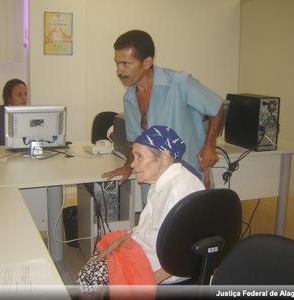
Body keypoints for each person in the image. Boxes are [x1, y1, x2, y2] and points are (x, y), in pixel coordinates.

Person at [77, 125, 205, 296]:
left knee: (87, 281)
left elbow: (187, 251)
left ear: (164, 156)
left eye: (139, 157)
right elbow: (150, 227)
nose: (132, 163)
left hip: (161, 269)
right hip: (149, 252)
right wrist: (118, 242)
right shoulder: (165, 179)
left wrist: (149, 282)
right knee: (102, 251)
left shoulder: (177, 193)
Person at [103, 30, 223, 188]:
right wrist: (127, 166)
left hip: (185, 177)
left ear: (147, 63)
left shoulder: (179, 83)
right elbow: (137, 143)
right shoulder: (129, 98)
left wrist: (209, 146)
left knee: (185, 212)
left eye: (125, 64)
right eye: (117, 63)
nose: (119, 70)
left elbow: (216, 107)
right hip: (153, 179)